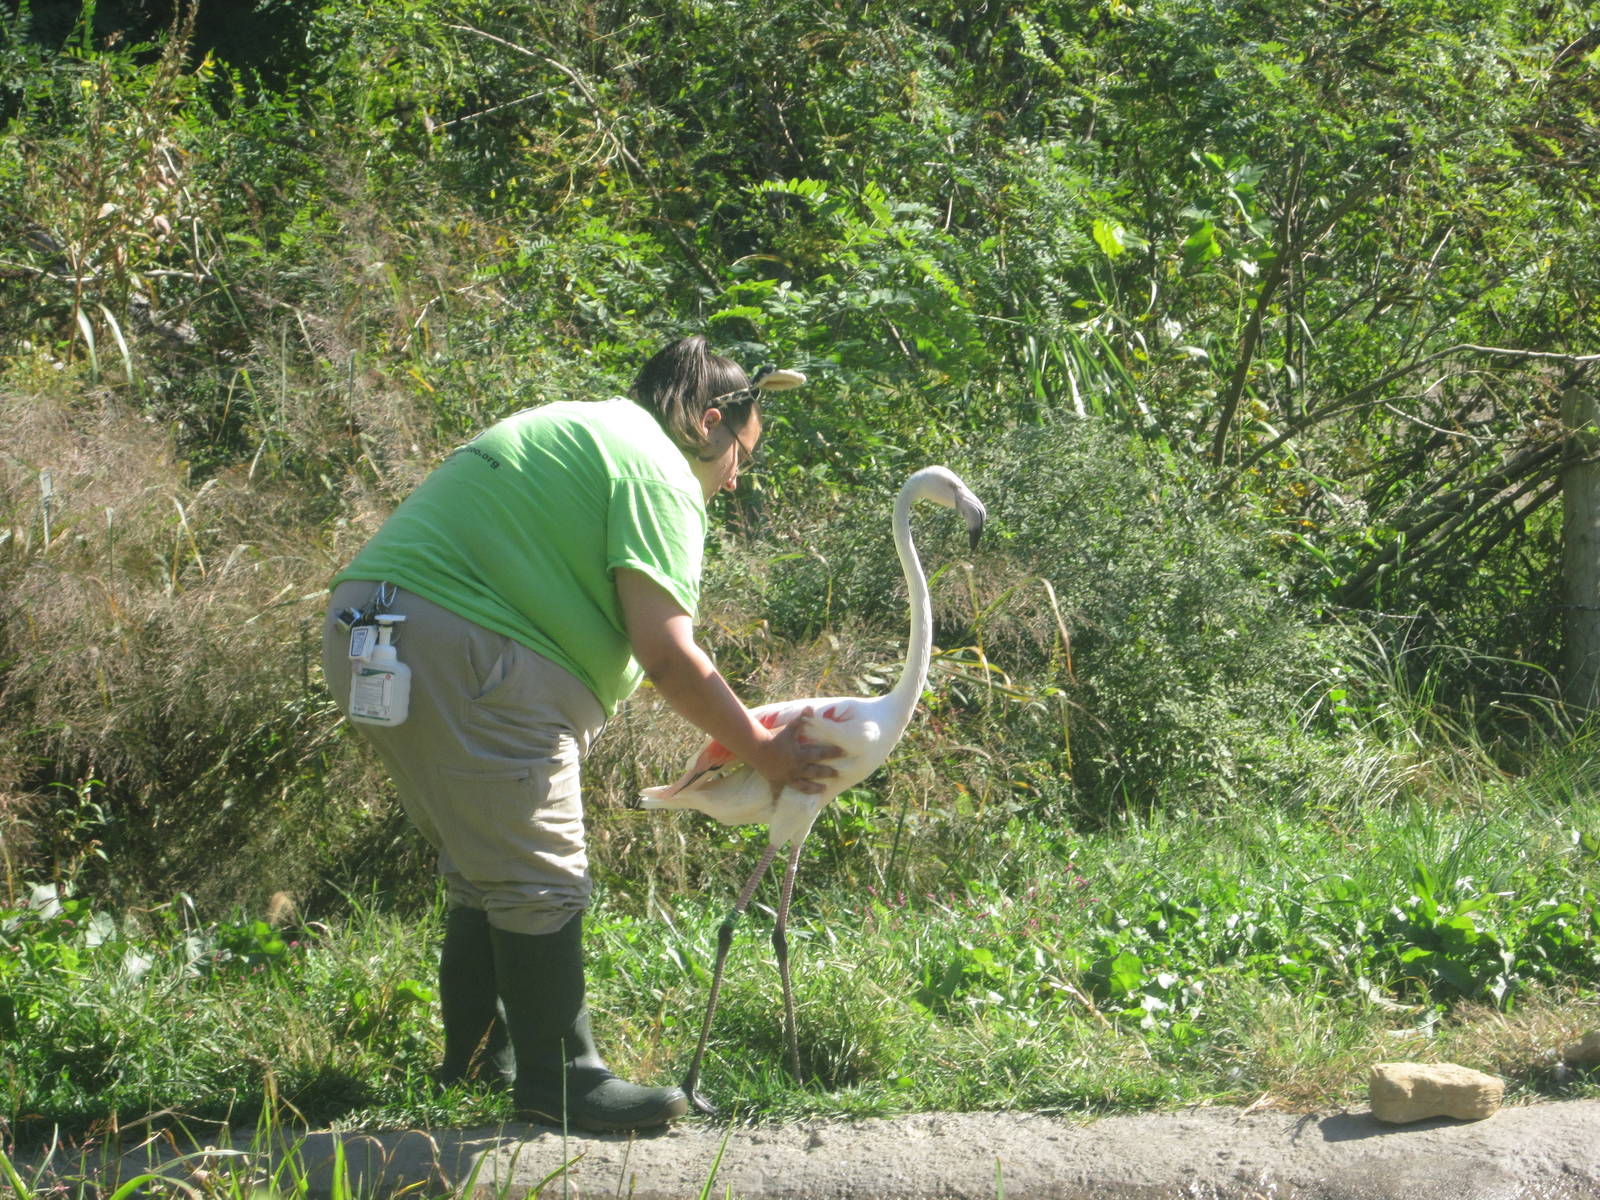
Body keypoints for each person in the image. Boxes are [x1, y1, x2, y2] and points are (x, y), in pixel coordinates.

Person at [320, 336, 840, 1132]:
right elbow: (667, 654)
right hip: (468, 648)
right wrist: (763, 751)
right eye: (742, 454)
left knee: (484, 864)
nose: (738, 478)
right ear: (707, 423)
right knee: (539, 878)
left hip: (371, 630)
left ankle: (473, 1061)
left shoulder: (583, 426)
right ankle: (563, 1080)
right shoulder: (657, 472)